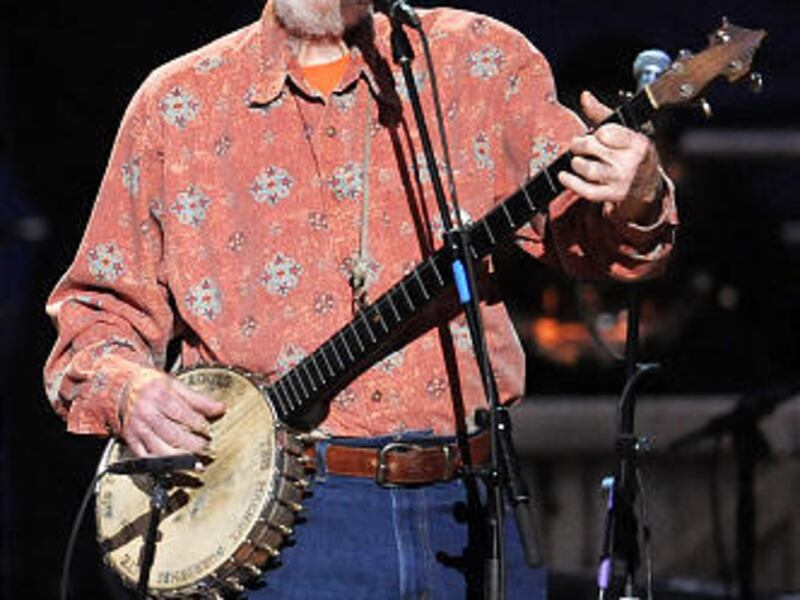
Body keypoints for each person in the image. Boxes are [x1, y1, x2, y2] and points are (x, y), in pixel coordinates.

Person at [44, 0, 676, 597]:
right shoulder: (179, 104)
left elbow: (593, 242)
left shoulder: (478, 61)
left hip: (474, 504)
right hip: (285, 526)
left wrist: (638, 195)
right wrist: (130, 391)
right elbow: (97, 315)